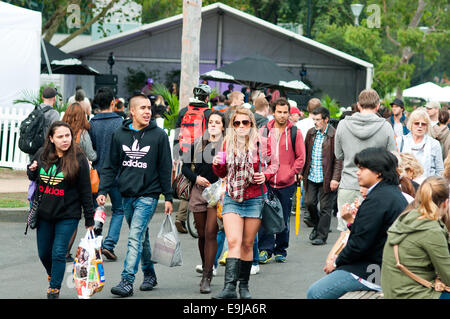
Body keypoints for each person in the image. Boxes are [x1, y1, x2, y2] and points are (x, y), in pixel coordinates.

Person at [96, 92, 173, 297]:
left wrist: (168, 196)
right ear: (132, 111)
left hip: (149, 194)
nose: (148, 112)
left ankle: (127, 280)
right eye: (143, 108)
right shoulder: (119, 134)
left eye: (149, 108)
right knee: (141, 237)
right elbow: (110, 166)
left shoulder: (159, 136)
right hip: (126, 194)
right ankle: (149, 274)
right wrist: (103, 190)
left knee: (134, 236)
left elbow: (166, 167)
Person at [307, 147, 408, 299]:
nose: (357, 172)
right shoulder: (391, 193)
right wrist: (351, 223)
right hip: (385, 266)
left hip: (374, 271)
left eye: (362, 168)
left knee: (315, 293)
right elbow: (370, 235)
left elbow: (359, 244)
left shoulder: (377, 199)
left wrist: (336, 263)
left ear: (378, 171)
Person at [212, 107, 278, 299]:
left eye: (245, 122)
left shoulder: (261, 143)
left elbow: (274, 164)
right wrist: (217, 165)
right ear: (232, 125)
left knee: (248, 244)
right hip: (233, 196)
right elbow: (222, 173)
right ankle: (229, 289)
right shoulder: (227, 143)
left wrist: (264, 175)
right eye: (237, 123)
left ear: (251, 124)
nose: (241, 126)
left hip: (255, 198)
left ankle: (244, 288)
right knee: (233, 241)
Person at [27, 121, 95, 299]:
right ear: (51, 138)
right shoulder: (42, 154)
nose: (65, 140)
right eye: (60, 136)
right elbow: (34, 177)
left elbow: (86, 191)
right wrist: (31, 169)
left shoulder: (78, 157)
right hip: (44, 214)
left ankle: (54, 289)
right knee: (43, 253)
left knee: (58, 252)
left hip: (68, 214)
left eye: (68, 136)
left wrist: (89, 219)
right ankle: (53, 275)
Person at [334, 89, 397, 234]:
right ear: (377, 106)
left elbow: (338, 154)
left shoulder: (343, 125)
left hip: (348, 183)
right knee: (371, 233)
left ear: (358, 105)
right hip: (374, 186)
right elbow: (393, 157)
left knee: (345, 233)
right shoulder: (386, 127)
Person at [381, 176, 450, 299]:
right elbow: (448, 276)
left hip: (393, 291)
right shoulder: (431, 230)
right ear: (446, 203)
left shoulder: (408, 217)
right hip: (412, 293)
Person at [258, 98, 305, 263]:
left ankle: (280, 250)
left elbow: (301, 158)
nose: (283, 115)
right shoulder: (264, 130)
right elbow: (258, 154)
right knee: (266, 216)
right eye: (279, 112)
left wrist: (291, 173)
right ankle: (265, 249)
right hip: (267, 181)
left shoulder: (295, 132)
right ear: (273, 112)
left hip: (287, 183)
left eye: (286, 112)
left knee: (283, 217)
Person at [182, 111, 225, 294]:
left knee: (210, 233)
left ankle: (207, 275)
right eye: (211, 122)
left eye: (217, 122)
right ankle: (207, 266)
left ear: (223, 126)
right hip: (199, 192)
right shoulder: (198, 143)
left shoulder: (227, 145)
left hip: (218, 193)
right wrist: (196, 178)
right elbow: (184, 167)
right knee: (200, 235)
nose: (213, 125)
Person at [89, 87, 125, 261]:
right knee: (119, 209)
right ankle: (109, 244)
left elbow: (91, 149)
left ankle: (96, 246)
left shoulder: (92, 123)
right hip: (117, 173)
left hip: (97, 173)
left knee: (97, 209)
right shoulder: (120, 122)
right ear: (113, 102)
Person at [173, 84, 213, 233]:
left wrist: (176, 154)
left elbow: (177, 133)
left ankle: (181, 218)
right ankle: (194, 219)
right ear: (207, 98)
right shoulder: (209, 113)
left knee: (188, 181)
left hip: (184, 151)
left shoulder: (184, 111)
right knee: (198, 183)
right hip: (201, 154)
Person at [61, 102, 97, 262]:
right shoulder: (82, 134)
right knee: (73, 216)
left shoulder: (60, 132)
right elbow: (91, 154)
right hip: (77, 175)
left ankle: (59, 248)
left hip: (61, 177)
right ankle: (65, 251)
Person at [302, 106, 342, 245]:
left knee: (326, 208)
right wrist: (302, 173)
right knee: (309, 203)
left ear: (326, 120)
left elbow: (338, 159)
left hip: (327, 177)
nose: (315, 122)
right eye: (314, 119)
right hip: (312, 175)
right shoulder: (310, 133)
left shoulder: (334, 135)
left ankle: (321, 236)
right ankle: (317, 226)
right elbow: (305, 154)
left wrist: (335, 178)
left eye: (318, 120)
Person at [399, 108, 444, 179]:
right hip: (405, 186)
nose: (420, 126)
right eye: (416, 123)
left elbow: (440, 171)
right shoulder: (401, 141)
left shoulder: (434, 144)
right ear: (411, 124)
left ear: (427, 126)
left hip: (427, 186)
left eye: (423, 124)